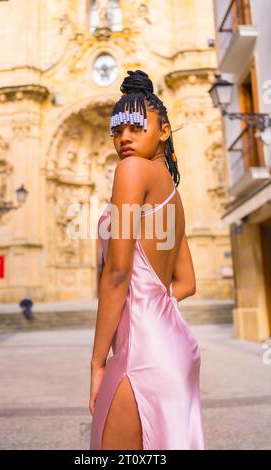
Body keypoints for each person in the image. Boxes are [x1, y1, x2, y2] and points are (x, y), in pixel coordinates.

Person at [89, 70, 206, 450]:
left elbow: (118, 273)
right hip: (172, 346)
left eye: (137, 126)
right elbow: (186, 282)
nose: (124, 137)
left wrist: (97, 364)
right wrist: (154, 305)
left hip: (140, 355)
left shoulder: (132, 169)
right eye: (117, 128)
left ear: (165, 131)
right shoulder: (171, 193)